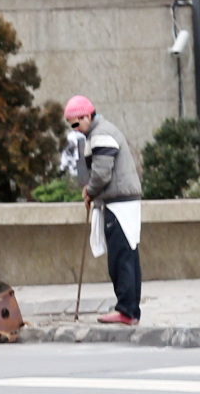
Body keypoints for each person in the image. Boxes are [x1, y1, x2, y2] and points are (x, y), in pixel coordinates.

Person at [64, 95, 142, 325]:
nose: (75, 129)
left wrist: (89, 190)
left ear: (87, 116)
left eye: (77, 123)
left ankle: (126, 310)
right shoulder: (101, 132)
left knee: (120, 258)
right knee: (128, 255)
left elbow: (101, 174)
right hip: (123, 201)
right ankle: (130, 309)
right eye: (71, 125)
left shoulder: (100, 135)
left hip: (117, 204)